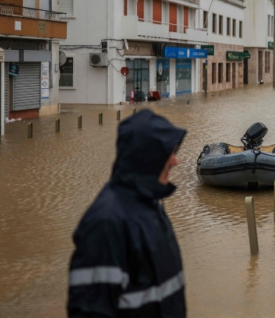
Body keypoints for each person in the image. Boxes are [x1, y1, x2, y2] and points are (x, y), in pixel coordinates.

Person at [68, 109, 187, 317]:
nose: (176, 162)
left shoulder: (151, 205)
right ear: (147, 157)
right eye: (169, 153)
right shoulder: (106, 223)